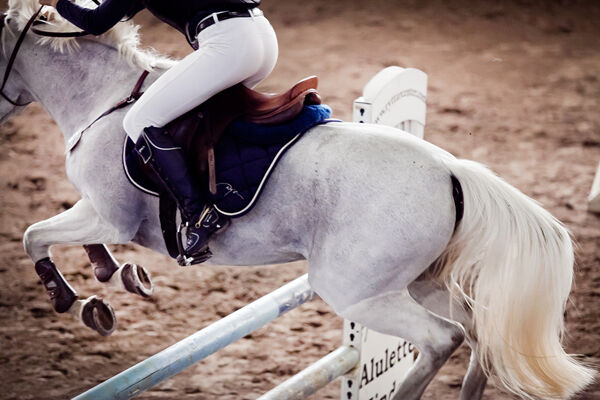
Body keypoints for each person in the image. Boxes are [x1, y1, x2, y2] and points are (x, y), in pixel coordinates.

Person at [38, 0, 279, 260]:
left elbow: (97, 22)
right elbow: (123, 9)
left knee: (140, 120)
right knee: (198, 112)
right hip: (259, 36)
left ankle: (200, 215)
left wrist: (58, 3)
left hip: (228, 45)